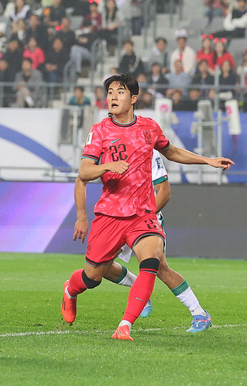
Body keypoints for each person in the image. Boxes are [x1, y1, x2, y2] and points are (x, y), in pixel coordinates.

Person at [60, 73, 233, 341]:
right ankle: (71, 290)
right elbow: (83, 173)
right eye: (110, 92)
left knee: (152, 261)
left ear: (134, 98)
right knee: (93, 276)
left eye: (120, 91)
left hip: (142, 215)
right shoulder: (100, 131)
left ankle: (125, 325)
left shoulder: (149, 128)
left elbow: (172, 151)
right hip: (109, 215)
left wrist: (207, 161)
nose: (113, 96)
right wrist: (106, 167)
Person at [73, 150, 213, 332]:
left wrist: (143, 218)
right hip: (113, 219)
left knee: (159, 267)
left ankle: (199, 313)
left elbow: (164, 191)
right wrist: (81, 216)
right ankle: (140, 288)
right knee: (101, 267)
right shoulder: (103, 145)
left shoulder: (147, 150)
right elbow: (81, 178)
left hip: (143, 219)